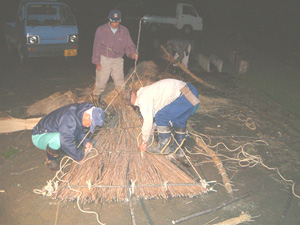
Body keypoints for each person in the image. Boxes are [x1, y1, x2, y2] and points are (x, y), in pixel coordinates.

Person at [124, 79, 199, 157]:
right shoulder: (146, 92)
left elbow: (148, 121)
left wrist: (144, 142)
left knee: (161, 117)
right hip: (191, 93)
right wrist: (153, 126)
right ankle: (179, 150)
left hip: (184, 96)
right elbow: (158, 109)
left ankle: (163, 147)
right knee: (178, 121)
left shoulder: (142, 99)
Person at [32, 103, 105, 171]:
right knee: (59, 139)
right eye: (90, 124)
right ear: (87, 116)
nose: (88, 126)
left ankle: (56, 149)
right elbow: (66, 141)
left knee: (64, 140)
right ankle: (50, 159)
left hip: (52, 133)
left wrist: (86, 142)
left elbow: (79, 130)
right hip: (39, 136)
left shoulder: (81, 111)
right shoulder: (69, 117)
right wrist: (80, 157)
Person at [92, 9, 138, 104]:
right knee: (101, 82)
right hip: (104, 59)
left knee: (120, 83)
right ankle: (95, 99)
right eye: (113, 21)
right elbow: (96, 46)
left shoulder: (124, 31)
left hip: (118, 60)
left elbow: (129, 44)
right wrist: (97, 62)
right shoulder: (101, 30)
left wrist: (133, 53)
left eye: (118, 21)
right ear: (109, 19)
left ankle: (122, 102)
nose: (115, 23)